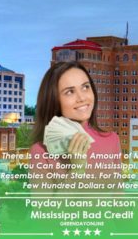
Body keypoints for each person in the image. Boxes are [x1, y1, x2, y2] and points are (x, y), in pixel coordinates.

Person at [30, 61, 121, 191]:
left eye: (85, 87)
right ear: (53, 100)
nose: (82, 98)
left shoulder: (112, 140)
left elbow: (119, 204)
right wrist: (77, 170)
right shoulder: (40, 151)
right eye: (69, 92)